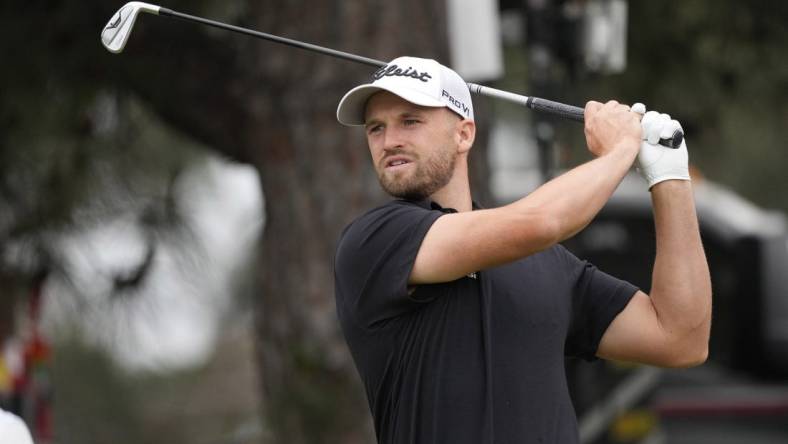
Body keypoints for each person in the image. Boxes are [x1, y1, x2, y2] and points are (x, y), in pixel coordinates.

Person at [333, 56, 711, 444]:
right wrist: (620, 150)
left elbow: (680, 338)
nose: (389, 140)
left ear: (464, 134)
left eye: (410, 121)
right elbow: (542, 222)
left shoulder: (547, 264)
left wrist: (670, 177)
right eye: (376, 128)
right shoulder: (375, 240)